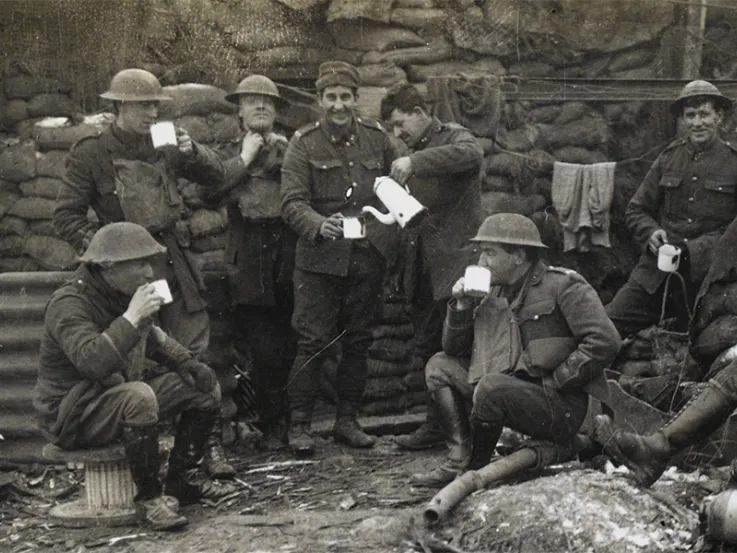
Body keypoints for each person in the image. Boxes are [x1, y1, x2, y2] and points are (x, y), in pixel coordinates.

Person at [53, 68, 233, 478]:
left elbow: (217, 176)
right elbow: (65, 216)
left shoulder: (166, 143)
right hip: (124, 270)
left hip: (171, 258)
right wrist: (104, 256)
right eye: (142, 106)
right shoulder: (92, 153)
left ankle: (208, 449)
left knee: (194, 349)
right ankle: (149, 452)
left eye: (155, 105)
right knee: (137, 350)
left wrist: (193, 152)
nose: (151, 113)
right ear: (117, 107)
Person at [33, 222, 234, 530]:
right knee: (139, 396)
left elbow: (151, 336)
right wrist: (132, 316)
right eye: (139, 263)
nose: (149, 272)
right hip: (72, 413)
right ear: (107, 267)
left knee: (203, 388)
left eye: (149, 262)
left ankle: (182, 480)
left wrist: (186, 363)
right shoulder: (69, 304)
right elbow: (92, 363)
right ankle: (149, 499)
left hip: (113, 397)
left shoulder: (117, 291)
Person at [410, 213, 621, 487]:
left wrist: (559, 380)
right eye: (480, 253)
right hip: (508, 390)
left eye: (489, 253)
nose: (480, 262)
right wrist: (461, 306)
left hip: (560, 405)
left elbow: (605, 341)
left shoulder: (563, 285)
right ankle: (457, 462)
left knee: (491, 387)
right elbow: (453, 350)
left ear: (518, 256)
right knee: (439, 366)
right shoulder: (491, 292)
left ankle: (476, 471)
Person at [281, 61, 400, 456]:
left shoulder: (377, 139)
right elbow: (292, 201)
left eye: (345, 97)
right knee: (312, 340)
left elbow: (396, 187)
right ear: (319, 101)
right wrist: (318, 224)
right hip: (319, 260)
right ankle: (299, 426)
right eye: (330, 97)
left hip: (367, 256)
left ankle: (347, 421)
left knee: (359, 341)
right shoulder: (303, 142)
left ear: (355, 99)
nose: (338, 105)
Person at [379, 83, 484, 450]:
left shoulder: (454, 136)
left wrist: (415, 162)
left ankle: (470, 429)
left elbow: (472, 154)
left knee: (457, 347)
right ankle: (437, 426)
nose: (397, 133)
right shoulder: (416, 148)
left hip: (455, 266)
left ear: (421, 113)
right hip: (423, 268)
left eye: (399, 123)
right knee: (427, 348)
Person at [200, 74, 296, 449]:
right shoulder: (226, 150)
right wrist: (244, 157)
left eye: (268, 102)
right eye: (252, 101)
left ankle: (291, 424)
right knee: (262, 345)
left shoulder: (293, 147)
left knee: (291, 341)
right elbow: (207, 193)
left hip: (287, 249)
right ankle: (270, 424)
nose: (261, 106)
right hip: (249, 254)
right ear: (238, 111)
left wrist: (283, 156)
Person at [606, 80, 737, 338]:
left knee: (708, 344)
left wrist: (698, 251)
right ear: (682, 120)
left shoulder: (733, 162)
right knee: (605, 327)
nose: (697, 123)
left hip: (708, 281)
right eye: (690, 115)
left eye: (704, 114)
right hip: (656, 274)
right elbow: (636, 210)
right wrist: (650, 232)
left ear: (719, 117)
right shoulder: (668, 158)